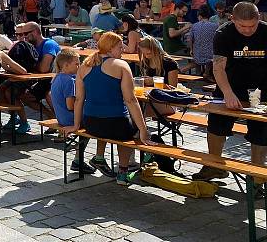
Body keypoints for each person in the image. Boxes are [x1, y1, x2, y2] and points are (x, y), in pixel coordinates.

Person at [64, 32, 150, 186]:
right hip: (117, 125)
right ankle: (123, 172)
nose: (123, 49)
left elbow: (79, 100)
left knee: (124, 126)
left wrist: (76, 125)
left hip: (91, 124)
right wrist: (143, 130)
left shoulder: (84, 66)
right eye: (119, 46)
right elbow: (130, 99)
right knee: (131, 132)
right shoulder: (121, 65)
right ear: (110, 48)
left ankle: (100, 158)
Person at [194, 3, 267, 184]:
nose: (248, 30)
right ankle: (214, 166)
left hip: (259, 91)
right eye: (243, 26)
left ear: (259, 19)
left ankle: (257, 177)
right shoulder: (223, 34)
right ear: (232, 19)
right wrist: (228, 93)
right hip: (229, 87)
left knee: (261, 133)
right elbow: (219, 68)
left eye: (252, 25)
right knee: (216, 125)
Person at [51, 48, 109, 175]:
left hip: (62, 117)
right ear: (66, 65)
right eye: (76, 64)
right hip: (70, 118)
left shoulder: (57, 78)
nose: (79, 66)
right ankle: (98, 157)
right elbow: (71, 105)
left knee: (93, 123)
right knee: (105, 120)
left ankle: (78, 159)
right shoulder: (69, 81)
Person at [2, 22, 59, 134]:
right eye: (21, 34)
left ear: (35, 32)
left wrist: (28, 65)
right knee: (8, 91)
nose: (24, 36)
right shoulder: (28, 45)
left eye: (26, 33)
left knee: (27, 95)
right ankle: (20, 120)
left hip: (53, 80)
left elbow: (44, 68)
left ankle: (54, 119)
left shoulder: (48, 44)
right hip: (38, 79)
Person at [138, 36, 179, 116]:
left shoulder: (169, 63)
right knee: (134, 107)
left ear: (156, 50)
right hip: (151, 98)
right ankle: (140, 128)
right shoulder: (145, 62)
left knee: (138, 110)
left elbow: (174, 89)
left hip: (168, 101)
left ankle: (140, 128)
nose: (146, 56)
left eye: (148, 53)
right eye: (144, 53)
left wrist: (154, 81)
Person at [185, 4, 217, 80]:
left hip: (197, 53)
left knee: (197, 58)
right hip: (210, 54)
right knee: (212, 57)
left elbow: (190, 39)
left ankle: (183, 70)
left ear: (200, 15)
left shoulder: (194, 26)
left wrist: (191, 49)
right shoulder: (215, 26)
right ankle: (206, 72)